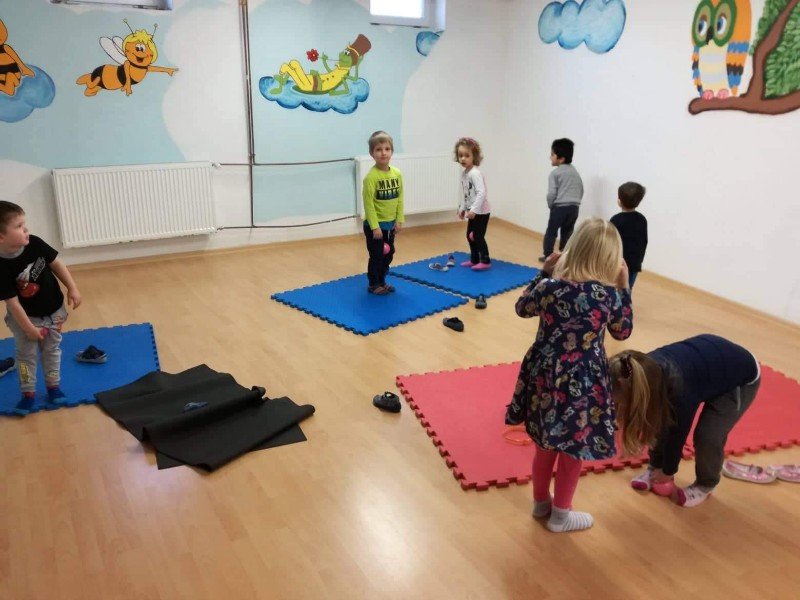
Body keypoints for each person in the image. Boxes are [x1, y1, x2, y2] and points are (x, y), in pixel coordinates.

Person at [506, 218, 632, 532]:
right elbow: (623, 331)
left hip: (545, 376)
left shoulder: (550, 287)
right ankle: (561, 515)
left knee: (544, 445)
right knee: (573, 449)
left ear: (573, 249)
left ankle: (540, 503)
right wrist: (624, 288)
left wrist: (544, 272)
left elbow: (522, 307)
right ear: (609, 260)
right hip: (583, 383)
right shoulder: (606, 296)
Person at [609, 334, 761, 507]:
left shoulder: (678, 389)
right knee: (657, 418)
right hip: (707, 367)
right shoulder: (635, 370)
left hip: (738, 378)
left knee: (708, 436)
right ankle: (654, 467)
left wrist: (668, 471)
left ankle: (705, 484)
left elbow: (677, 432)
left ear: (624, 385)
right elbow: (656, 421)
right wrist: (658, 465)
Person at [0, 201, 82, 415]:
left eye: (24, 224)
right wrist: (29, 329)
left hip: (54, 311)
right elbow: (13, 303)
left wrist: (72, 287)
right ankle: (27, 393)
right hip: (25, 319)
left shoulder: (34, 243)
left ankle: (53, 386)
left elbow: (56, 263)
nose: (26, 229)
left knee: (51, 351)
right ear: (1, 237)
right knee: (25, 357)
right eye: (19, 226)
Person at [362, 131, 404, 295]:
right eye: (378, 149)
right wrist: (375, 227)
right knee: (377, 255)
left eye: (387, 149)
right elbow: (369, 204)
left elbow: (400, 198)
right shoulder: (371, 178)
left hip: (390, 224)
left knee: (389, 253)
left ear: (391, 151)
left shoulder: (397, 173)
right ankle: (374, 284)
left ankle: (382, 280)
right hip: (375, 227)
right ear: (372, 153)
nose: (383, 153)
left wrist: (399, 220)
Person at [539, 138, 583, 263]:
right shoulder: (575, 172)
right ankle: (565, 255)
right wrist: (575, 202)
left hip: (560, 207)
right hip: (574, 208)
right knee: (567, 232)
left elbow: (551, 193)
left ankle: (548, 255)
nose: (550, 157)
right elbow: (581, 188)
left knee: (551, 231)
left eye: (552, 154)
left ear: (561, 159)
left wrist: (551, 205)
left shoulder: (555, 173)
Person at [454, 137, 491, 270]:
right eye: (460, 155)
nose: (463, 158)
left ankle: (485, 260)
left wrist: (474, 210)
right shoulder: (465, 173)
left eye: (467, 155)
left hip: (482, 211)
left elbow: (482, 193)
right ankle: (474, 259)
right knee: (469, 236)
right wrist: (463, 208)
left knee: (477, 236)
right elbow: (467, 194)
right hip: (473, 211)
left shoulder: (475, 173)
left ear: (474, 156)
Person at [610, 182, 647, 289]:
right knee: (626, 289)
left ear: (619, 201)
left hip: (617, 264)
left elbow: (610, 243)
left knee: (612, 288)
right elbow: (644, 241)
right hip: (634, 264)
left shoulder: (616, 220)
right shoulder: (642, 220)